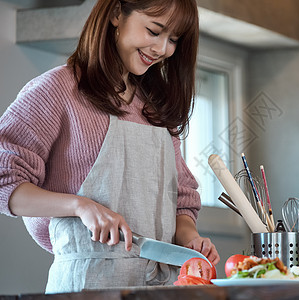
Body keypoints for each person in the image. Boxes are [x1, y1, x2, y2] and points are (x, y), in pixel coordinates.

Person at [0, 0, 219, 293]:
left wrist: (191, 237)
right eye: (154, 31)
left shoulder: (156, 108)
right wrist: (80, 206)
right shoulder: (56, 90)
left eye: (174, 40)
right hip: (85, 288)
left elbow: (180, 200)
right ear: (116, 14)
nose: (162, 49)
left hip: (159, 288)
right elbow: (6, 181)